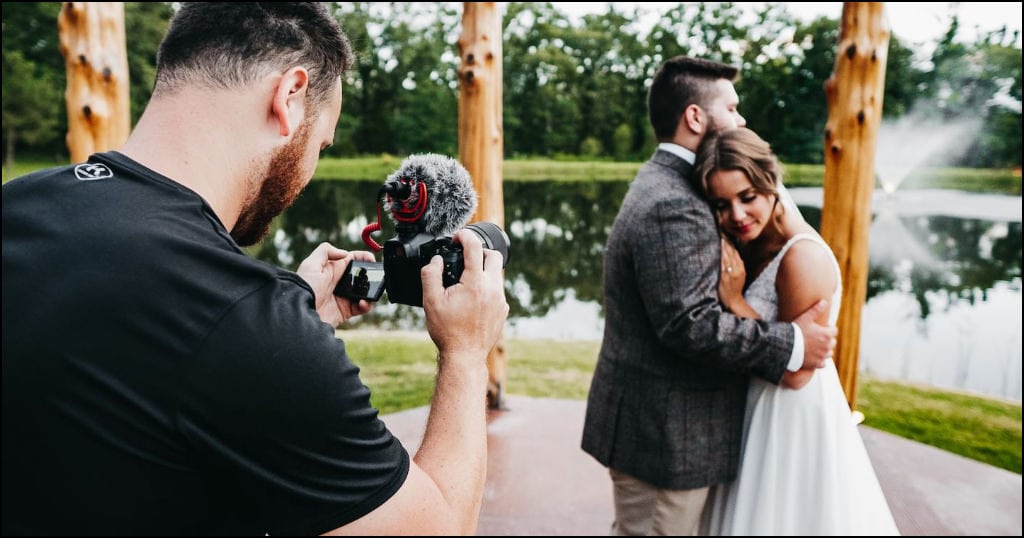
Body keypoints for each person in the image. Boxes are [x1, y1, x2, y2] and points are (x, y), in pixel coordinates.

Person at [1, 3, 508, 535]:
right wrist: (468, 351)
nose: (309, 171)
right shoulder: (240, 321)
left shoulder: (19, 204)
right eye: (321, 143)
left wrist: (287, 315)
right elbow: (439, 528)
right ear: (289, 96)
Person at [580, 55, 839, 536]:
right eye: (733, 108)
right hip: (666, 437)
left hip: (663, 428)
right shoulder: (675, 202)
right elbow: (689, 324)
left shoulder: (668, 183)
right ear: (696, 117)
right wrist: (795, 344)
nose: (741, 120)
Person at [695, 127, 900, 535]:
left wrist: (735, 301)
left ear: (771, 184)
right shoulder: (750, 244)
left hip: (787, 417)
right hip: (755, 408)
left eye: (747, 197)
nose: (736, 215)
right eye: (722, 204)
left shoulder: (801, 257)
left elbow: (796, 371)